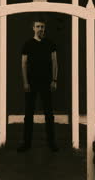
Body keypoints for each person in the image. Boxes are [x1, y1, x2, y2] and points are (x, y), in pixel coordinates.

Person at [17, 15, 58, 152]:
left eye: (42, 27)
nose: (40, 29)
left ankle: (51, 143)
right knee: (28, 114)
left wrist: (54, 80)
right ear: (33, 28)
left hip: (46, 83)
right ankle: (26, 144)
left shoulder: (50, 43)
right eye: (38, 26)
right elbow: (23, 64)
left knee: (49, 114)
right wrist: (25, 82)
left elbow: (54, 62)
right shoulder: (27, 44)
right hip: (31, 83)